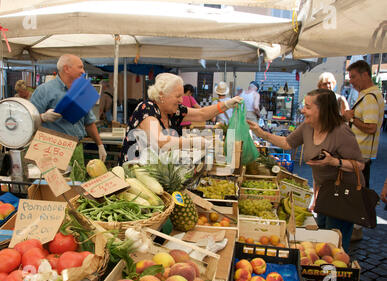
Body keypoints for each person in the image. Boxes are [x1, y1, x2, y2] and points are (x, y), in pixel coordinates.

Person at [247, 89, 365, 252]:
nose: (303, 110)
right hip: (324, 192)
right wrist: (261, 133)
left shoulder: (341, 132)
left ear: (322, 110)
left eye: (308, 107)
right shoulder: (308, 127)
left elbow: (359, 165)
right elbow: (287, 143)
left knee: (334, 243)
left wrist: (333, 161)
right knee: (322, 235)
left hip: (342, 194)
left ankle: (335, 275)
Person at [119, 73, 242, 164]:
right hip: (135, 176)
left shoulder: (174, 112)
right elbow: (160, 141)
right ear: (162, 95)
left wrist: (226, 105)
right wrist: (193, 142)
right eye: (177, 96)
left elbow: (201, 114)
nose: (181, 100)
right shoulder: (147, 108)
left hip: (156, 172)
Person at [30, 54, 107, 180]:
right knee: (57, 190)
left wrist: (100, 145)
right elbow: (28, 120)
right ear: (66, 69)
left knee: (77, 189)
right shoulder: (44, 91)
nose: (83, 71)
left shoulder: (82, 91)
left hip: (76, 148)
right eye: (80, 67)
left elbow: (89, 122)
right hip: (53, 150)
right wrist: (42, 117)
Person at [342, 60, 385, 189]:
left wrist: (351, 118)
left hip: (360, 155)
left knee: (357, 192)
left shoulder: (370, 97)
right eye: (350, 78)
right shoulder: (368, 94)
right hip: (359, 154)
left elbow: (371, 128)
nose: (351, 81)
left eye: (353, 77)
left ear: (365, 75)